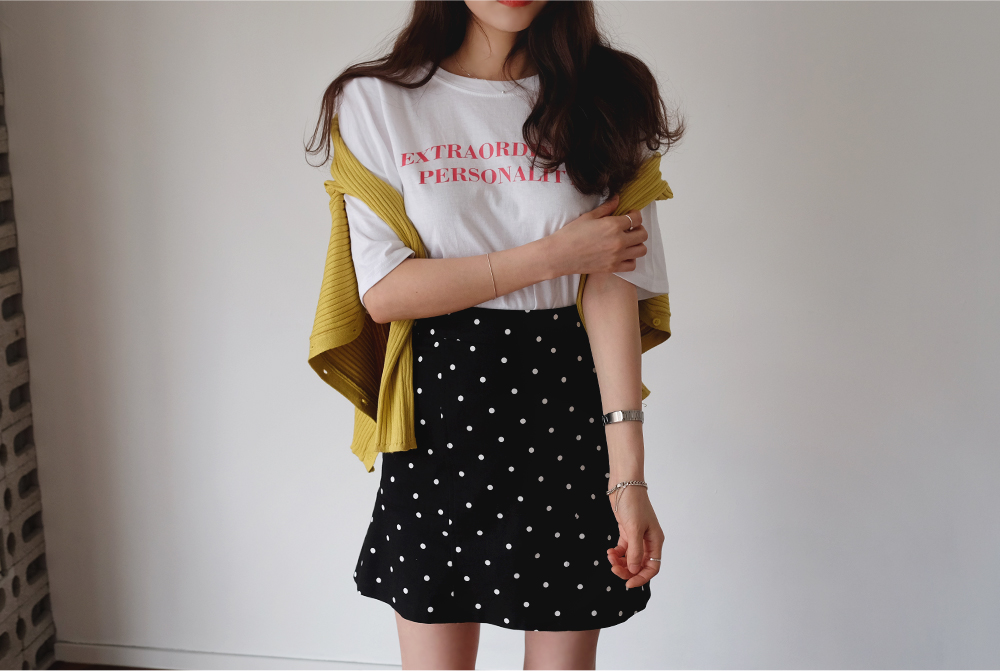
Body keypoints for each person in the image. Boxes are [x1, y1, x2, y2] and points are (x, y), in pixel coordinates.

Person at [306, 1, 684, 668]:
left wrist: (629, 480)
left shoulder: (610, 93)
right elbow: (385, 292)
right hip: (438, 421)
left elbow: (611, 286)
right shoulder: (377, 101)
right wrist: (554, 256)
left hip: (565, 412)